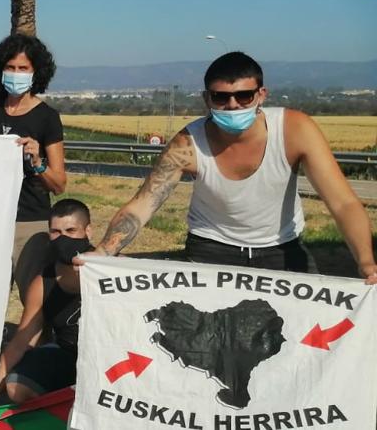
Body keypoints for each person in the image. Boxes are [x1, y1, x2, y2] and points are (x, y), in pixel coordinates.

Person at [89, 52, 377, 283]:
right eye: (220, 97)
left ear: (261, 95)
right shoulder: (188, 142)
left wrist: (366, 264)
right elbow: (142, 205)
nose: (232, 105)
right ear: (206, 99)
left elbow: (342, 203)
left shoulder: (295, 129)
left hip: (281, 248)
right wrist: (104, 252)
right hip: (211, 249)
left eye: (244, 96)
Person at [0, 34, 66, 302]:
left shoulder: (47, 117)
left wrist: (38, 163)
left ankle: (35, 345)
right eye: (10, 67)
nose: (15, 74)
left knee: (33, 298)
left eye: (23, 68)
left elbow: (59, 184)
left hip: (30, 221)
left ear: (36, 72)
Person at [0, 199, 91, 403]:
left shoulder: (112, 269)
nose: (63, 238)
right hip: (68, 354)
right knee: (16, 386)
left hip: (108, 356)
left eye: (71, 230)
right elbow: (21, 341)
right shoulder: (42, 282)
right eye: (55, 232)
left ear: (88, 231)